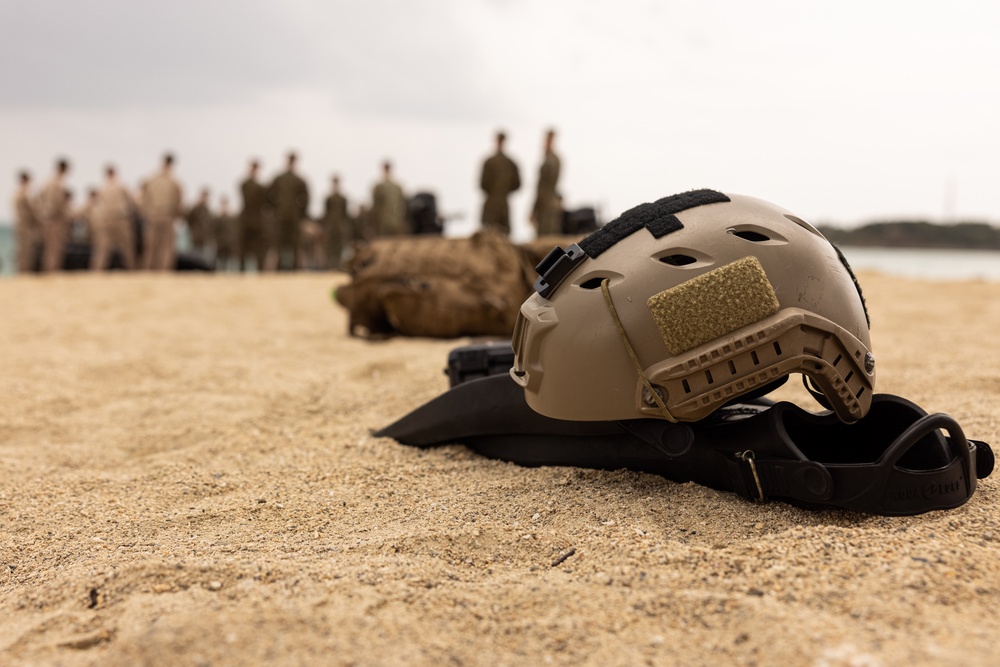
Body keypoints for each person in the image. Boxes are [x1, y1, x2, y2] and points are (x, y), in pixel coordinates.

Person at [140, 152, 183, 271]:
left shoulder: (150, 180)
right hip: (167, 217)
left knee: (151, 246)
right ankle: (164, 272)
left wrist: (146, 213)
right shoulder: (174, 182)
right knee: (166, 247)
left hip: (152, 217)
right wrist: (177, 215)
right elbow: (179, 201)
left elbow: (142, 198)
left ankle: (148, 270)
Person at [267, 152, 309, 270]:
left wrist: (300, 212)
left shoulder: (299, 180)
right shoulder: (279, 179)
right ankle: (279, 268)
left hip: (293, 217)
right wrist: (275, 209)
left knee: (295, 243)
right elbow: (269, 195)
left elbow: (305, 198)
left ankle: (295, 268)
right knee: (279, 242)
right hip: (280, 216)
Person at [91, 165, 136, 270]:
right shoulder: (121, 186)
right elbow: (132, 202)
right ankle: (131, 269)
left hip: (106, 220)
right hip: (120, 220)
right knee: (127, 247)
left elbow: (96, 205)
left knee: (102, 248)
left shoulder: (102, 188)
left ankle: (97, 270)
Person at [479, 131, 520, 236]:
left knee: (495, 235)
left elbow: (483, 184)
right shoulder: (509, 162)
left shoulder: (491, 162)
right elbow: (517, 184)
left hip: (496, 204)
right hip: (498, 203)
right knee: (499, 235)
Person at [36, 157, 72, 272]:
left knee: (49, 249)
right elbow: (57, 205)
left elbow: (39, 199)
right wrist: (66, 214)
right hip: (54, 220)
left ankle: (49, 271)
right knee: (54, 249)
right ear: (64, 169)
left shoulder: (47, 181)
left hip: (47, 219)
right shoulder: (56, 183)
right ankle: (51, 272)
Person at [237, 160, 269, 272]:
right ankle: (242, 270)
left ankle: (259, 270)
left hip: (256, 222)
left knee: (258, 249)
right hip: (247, 221)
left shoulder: (258, 187)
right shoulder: (247, 185)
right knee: (243, 248)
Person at [530, 128, 562, 236]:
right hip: (545, 203)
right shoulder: (550, 159)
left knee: (545, 236)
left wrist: (534, 208)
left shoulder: (551, 161)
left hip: (546, 205)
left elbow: (544, 187)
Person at [370, 161, 408, 238]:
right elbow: (375, 207)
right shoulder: (378, 187)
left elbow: (403, 204)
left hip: (396, 222)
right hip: (382, 223)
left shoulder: (397, 187)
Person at [12, 170, 39, 274]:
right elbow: (30, 211)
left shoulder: (17, 192)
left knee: (22, 249)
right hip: (25, 226)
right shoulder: (23, 193)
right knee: (25, 250)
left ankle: (22, 270)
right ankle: (24, 271)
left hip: (21, 225)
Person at [322, 175, 350, 269]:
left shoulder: (343, 199)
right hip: (331, 226)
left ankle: (338, 265)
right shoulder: (329, 198)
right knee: (329, 246)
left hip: (340, 226)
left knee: (339, 246)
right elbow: (326, 213)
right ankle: (329, 265)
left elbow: (345, 214)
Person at [186, 188, 212, 257]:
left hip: (204, 236)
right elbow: (189, 220)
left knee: (202, 253)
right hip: (196, 235)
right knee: (194, 252)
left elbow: (209, 223)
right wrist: (194, 229)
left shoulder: (207, 210)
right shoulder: (195, 208)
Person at [213, 195, 237, 272]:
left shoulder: (232, 219)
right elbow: (214, 232)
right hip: (220, 245)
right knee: (220, 263)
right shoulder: (217, 219)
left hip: (229, 245)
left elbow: (234, 232)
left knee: (230, 263)